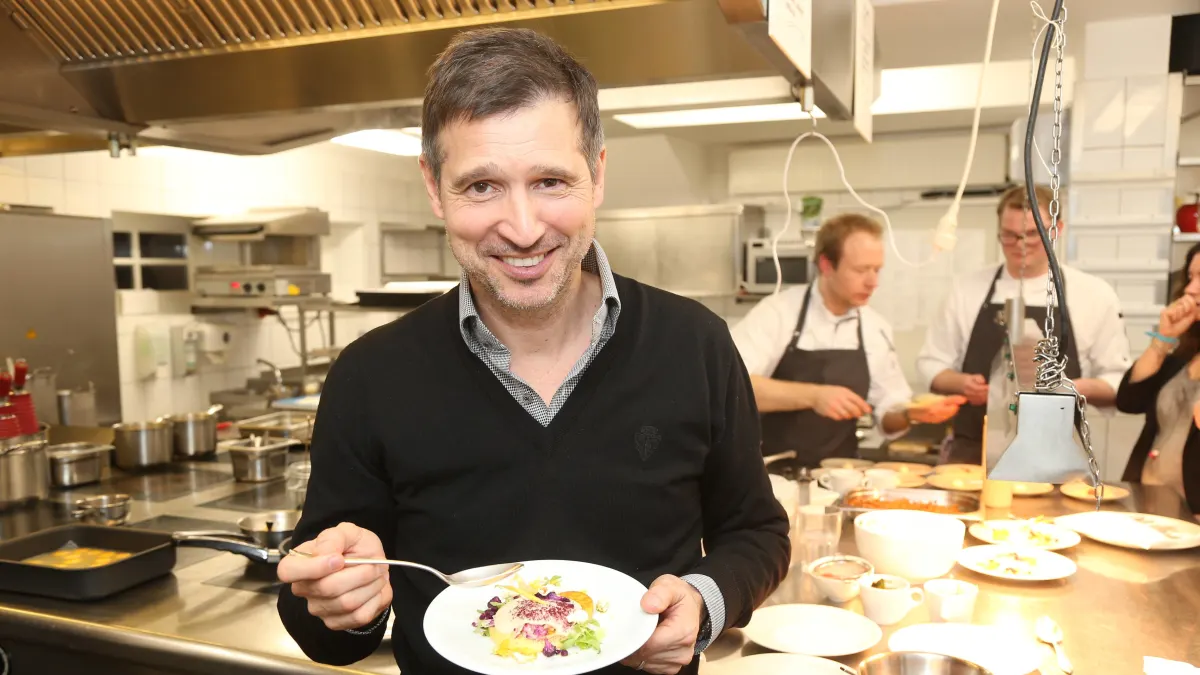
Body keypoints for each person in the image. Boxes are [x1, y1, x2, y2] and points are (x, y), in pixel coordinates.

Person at [274, 27, 790, 675]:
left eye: (550, 181)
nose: (521, 229)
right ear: (434, 187)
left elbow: (757, 532)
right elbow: (326, 633)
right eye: (482, 186)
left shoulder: (696, 343)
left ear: (597, 175)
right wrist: (339, 597)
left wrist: (706, 603)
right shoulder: (371, 375)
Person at [917, 184, 1131, 464]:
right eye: (1010, 236)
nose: (1020, 245)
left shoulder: (1094, 295)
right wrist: (961, 383)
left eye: (1032, 234)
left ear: (1057, 229)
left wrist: (1071, 387)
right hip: (973, 455)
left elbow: (1118, 383)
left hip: (1059, 455)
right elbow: (930, 364)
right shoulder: (966, 290)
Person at [731, 213, 962, 467]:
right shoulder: (777, 313)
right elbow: (731, 386)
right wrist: (814, 396)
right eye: (861, 270)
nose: (873, 282)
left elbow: (888, 410)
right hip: (772, 475)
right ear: (827, 265)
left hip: (843, 474)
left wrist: (911, 414)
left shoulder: (875, 328)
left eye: (877, 270)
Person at [1115, 243, 1200, 516]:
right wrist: (1163, 340)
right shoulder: (1185, 355)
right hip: (1147, 507)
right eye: (1191, 277)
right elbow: (1129, 400)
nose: (1190, 289)